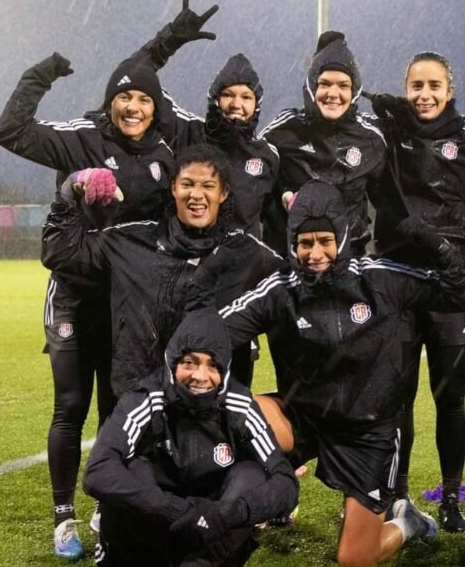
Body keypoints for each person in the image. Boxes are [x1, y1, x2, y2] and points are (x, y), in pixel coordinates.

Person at [219, 180, 465, 567]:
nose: (315, 253)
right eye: (304, 243)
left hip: (368, 432)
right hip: (305, 417)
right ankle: (251, 502)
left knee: (355, 559)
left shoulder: (381, 278)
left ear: (341, 237)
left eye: (325, 240)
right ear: (293, 243)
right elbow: (215, 331)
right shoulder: (281, 288)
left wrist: (434, 243)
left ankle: (408, 523)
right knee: (235, 411)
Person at [0, 51, 174, 559]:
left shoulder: (166, 154)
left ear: (157, 108)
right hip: (72, 296)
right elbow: (8, 129)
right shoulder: (82, 139)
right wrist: (38, 74)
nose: (133, 106)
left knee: (118, 410)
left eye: (144, 99)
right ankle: (63, 517)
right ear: (110, 101)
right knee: (71, 407)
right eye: (124, 96)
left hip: (126, 306)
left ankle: (107, 504)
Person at [83, 308, 297, 567]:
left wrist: (229, 513)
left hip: (209, 534)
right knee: (132, 469)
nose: (201, 375)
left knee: (252, 475)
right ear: (172, 362)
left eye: (213, 365)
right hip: (135, 558)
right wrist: (178, 511)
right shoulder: (146, 398)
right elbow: (97, 472)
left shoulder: (238, 403)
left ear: (225, 369)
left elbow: (285, 483)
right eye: (190, 362)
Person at [41, 143, 284, 399]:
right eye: (187, 184)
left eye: (208, 186)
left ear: (223, 193)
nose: (196, 195)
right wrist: (68, 194)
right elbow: (60, 253)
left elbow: (298, 290)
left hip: (211, 414)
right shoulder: (132, 241)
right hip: (137, 405)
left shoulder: (246, 253)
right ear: (173, 188)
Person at [364, 51, 465, 532]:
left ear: (450, 91)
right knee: (400, 398)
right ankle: (399, 494)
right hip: (400, 283)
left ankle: (451, 498)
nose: (425, 94)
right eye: (416, 86)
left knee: (450, 398)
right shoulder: (390, 135)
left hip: (451, 285)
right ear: (405, 89)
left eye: (434, 86)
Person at [126, 0, 279, 238]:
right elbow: (131, 78)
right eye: (228, 94)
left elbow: (276, 223)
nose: (236, 103)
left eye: (246, 97)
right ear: (214, 99)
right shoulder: (185, 132)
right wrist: (168, 41)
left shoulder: (268, 156)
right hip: (185, 269)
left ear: (256, 105)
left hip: (242, 273)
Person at [259, 30, 387, 256]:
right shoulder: (283, 131)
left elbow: (391, 205)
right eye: (324, 84)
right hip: (288, 265)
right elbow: (247, 177)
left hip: (349, 265)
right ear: (311, 86)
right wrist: (284, 195)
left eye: (343, 85)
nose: (333, 93)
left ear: (354, 90)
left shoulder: (372, 139)